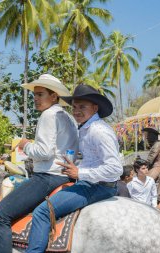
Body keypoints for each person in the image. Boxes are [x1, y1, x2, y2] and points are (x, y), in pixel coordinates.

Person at [0, 74, 79, 253]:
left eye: (40, 94)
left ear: (54, 96)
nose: (35, 99)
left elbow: (44, 152)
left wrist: (26, 145)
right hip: (64, 176)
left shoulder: (48, 115)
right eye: (34, 95)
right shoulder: (68, 117)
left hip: (47, 177)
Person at [26, 84, 123, 252]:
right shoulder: (86, 128)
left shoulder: (98, 131)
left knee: (42, 212)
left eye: (82, 107)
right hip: (93, 183)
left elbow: (115, 169)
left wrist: (80, 172)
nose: (76, 111)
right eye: (75, 107)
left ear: (95, 107)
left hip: (97, 186)